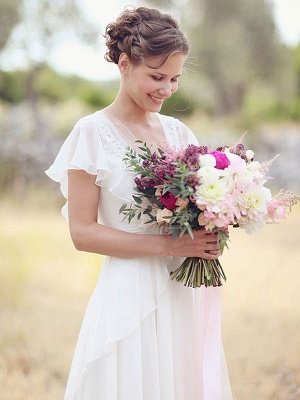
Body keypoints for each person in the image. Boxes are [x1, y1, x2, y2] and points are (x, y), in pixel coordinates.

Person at [45, 6, 233, 400]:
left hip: (182, 290)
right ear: (125, 64)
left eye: (175, 79)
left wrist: (216, 219)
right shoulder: (91, 133)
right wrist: (172, 245)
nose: (166, 89)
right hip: (128, 292)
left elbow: (195, 205)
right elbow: (82, 233)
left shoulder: (179, 132)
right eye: (156, 76)